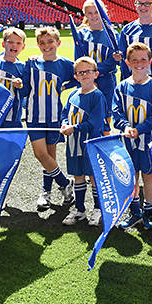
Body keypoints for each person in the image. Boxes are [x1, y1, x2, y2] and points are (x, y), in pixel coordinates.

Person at [21, 27, 78, 211]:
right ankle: (64, 183)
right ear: (37, 45)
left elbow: (78, 77)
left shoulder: (65, 64)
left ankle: (45, 193)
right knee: (40, 154)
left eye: (50, 42)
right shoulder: (31, 63)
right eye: (42, 43)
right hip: (34, 115)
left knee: (50, 156)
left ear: (58, 43)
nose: (47, 46)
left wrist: (65, 86)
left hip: (54, 116)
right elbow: (24, 89)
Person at [113, 42, 152, 229]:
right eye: (134, 60)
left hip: (148, 141)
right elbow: (116, 112)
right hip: (128, 141)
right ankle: (134, 211)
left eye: (143, 59)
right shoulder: (121, 87)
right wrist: (126, 127)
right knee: (131, 176)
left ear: (150, 61)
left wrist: (140, 129)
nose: (139, 63)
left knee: (149, 177)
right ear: (127, 63)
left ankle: (149, 212)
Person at [60, 57, 106, 227]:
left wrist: (74, 128)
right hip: (74, 145)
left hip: (90, 144)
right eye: (81, 72)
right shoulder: (73, 94)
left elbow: (94, 123)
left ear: (96, 74)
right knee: (78, 176)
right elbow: (65, 113)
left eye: (89, 71)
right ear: (76, 76)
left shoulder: (97, 96)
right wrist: (65, 123)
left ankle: (98, 209)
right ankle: (79, 209)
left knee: (93, 177)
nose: (85, 75)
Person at [77, 0, 118, 133]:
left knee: (105, 119)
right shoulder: (82, 34)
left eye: (97, 12)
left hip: (107, 81)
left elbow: (112, 60)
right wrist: (89, 77)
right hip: (86, 81)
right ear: (85, 15)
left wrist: (93, 73)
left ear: (103, 12)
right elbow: (78, 59)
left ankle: (103, 144)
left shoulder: (112, 34)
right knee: (86, 115)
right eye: (90, 13)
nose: (94, 16)